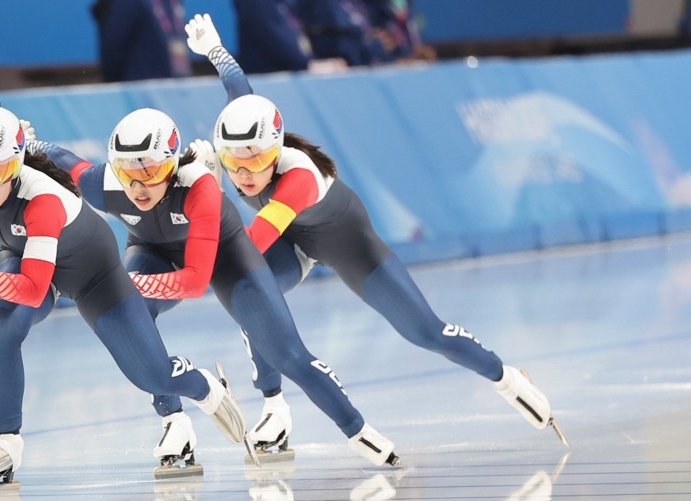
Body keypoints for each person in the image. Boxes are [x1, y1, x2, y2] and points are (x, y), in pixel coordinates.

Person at [0, 55, 403, 468]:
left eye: (154, 172)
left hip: (218, 259)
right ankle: (29, 441)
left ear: (175, 163)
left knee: (278, 354)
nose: (139, 188)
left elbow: (195, 280)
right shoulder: (92, 181)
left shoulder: (197, 191)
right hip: (126, 256)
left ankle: (355, 427)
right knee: (5, 326)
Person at [184, 14, 568, 447]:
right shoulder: (245, 129)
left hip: (346, 244)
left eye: (253, 160)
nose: (243, 171)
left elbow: (251, 245)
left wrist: (207, 184)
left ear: (274, 150)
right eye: (232, 161)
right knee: (252, 301)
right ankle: (274, 410)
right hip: (293, 240)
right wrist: (214, 48)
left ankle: (505, 376)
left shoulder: (298, 179)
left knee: (427, 333)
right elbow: (237, 84)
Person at [0, 51, 249, 485]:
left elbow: (31, 288)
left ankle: (203, 388)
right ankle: (7, 444)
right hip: (21, 251)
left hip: (90, 272)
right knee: (3, 327)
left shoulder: (41, 202)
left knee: (151, 374)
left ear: (17, 162)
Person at [91, 0, 191, 83]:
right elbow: (113, 49)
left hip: (176, 87)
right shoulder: (128, 4)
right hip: (140, 92)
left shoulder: (174, 3)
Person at [230, 0, 314, 74]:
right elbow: (276, 37)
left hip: (292, 74)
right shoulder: (256, 3)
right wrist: (308, 63)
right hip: (265, 80)